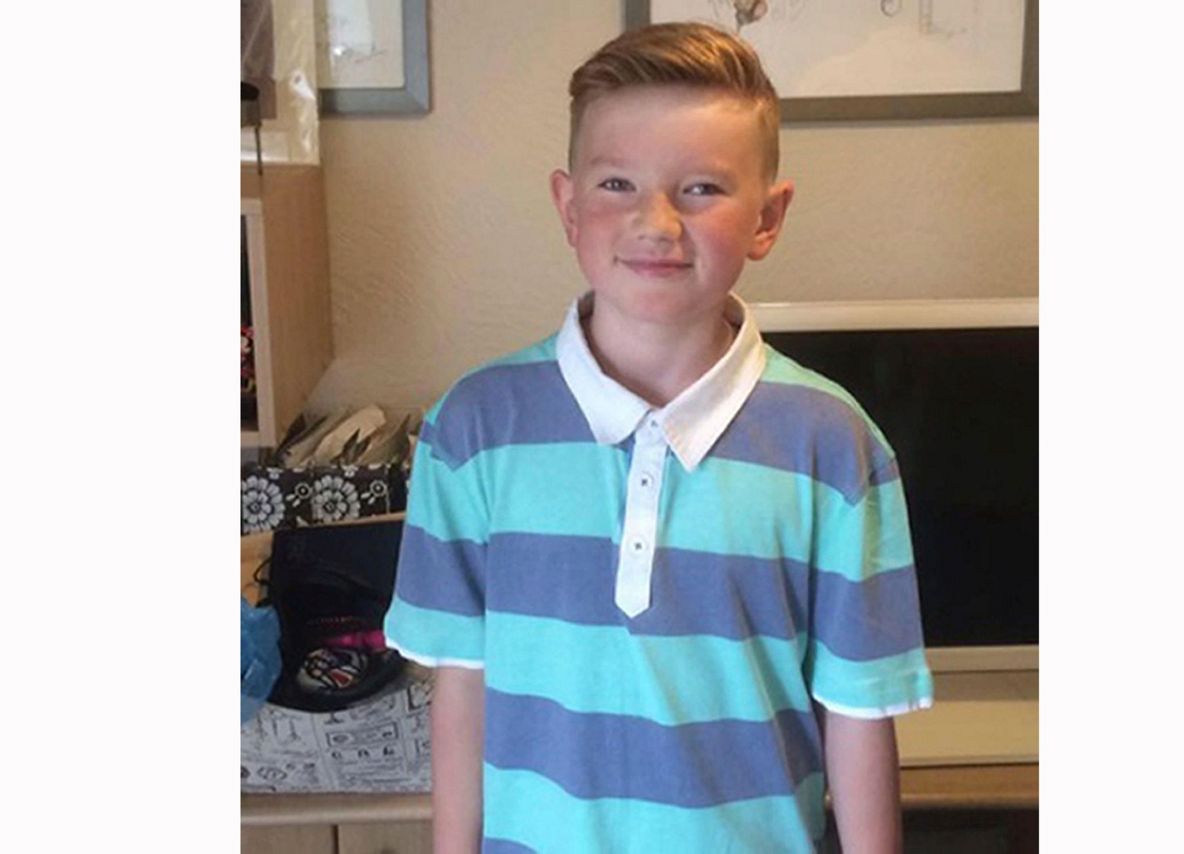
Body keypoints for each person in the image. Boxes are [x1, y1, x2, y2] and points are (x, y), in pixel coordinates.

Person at [384, 22, 933, 853]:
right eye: (617, 183)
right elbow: (462, 689)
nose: (656, 221)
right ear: (569, 207)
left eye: (702, 188)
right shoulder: (472, 429)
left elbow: (858, 713)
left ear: (767, 218)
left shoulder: (834, 446)